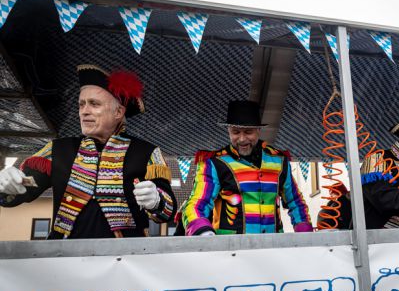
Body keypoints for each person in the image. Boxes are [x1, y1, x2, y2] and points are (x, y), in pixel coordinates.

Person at [0, 64, 176, 238]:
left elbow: (167, 213)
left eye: (94, 104)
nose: (84, 112)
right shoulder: (58, 149)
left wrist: (156, 201)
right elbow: (20, 191)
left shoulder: (147, 152)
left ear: (118, 112)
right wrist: (7, 184)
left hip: (126, 254)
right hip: (65, 253)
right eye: (81, 104)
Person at [180, 100, 313, 235]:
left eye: (248, 132)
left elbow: (295, 201)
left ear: (259, 130)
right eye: (236, 132)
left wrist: (304, 233)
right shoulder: (214, 163)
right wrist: (202, 230)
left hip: (273, 245)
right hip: (229, 246)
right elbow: (196, 204)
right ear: (228, 131)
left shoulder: (279, 161)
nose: (242, 139)